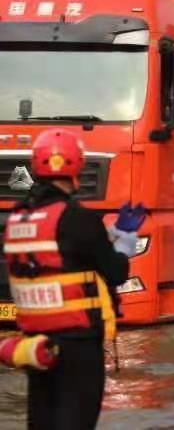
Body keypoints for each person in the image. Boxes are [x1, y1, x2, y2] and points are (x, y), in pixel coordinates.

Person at [1, 129, 139, 430]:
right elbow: (115, 272)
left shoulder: (16, 219)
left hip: (36, 346)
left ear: (36, 165)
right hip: (78, 346)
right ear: (77, 165)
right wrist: (124, 243)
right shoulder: (79, 219)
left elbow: (57, 259)